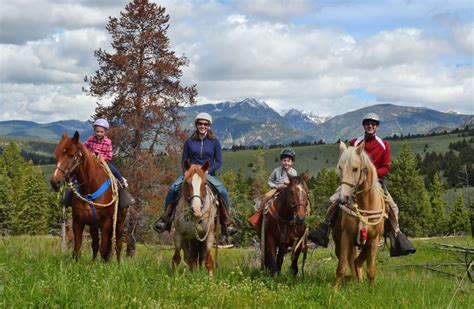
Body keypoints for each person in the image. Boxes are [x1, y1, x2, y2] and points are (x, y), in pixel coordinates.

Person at [308, 113, 416, 257]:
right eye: (367, 124)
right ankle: (325, 228)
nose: (370, 126)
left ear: (377, 126)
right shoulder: (354, 142)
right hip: (353, 181)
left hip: (376, 182)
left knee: (393, 208)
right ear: (364, 126)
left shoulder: (384, 145)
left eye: (373, 124)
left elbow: (386, 166)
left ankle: (396, 236)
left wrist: (372, 175)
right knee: (334, 200)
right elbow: (347, 161)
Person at [153, 112, 237, 236]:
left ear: (209, 126)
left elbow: (218, 162)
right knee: (172, 189)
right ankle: (165, 219)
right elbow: (184, 160)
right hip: (190, 174)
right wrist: (187, 172)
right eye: (200, 123)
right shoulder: (189, 142)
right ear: (196, 125)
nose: (202, 126)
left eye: (205, 124)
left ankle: (227, 222)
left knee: (223, 191)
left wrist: (207, 170)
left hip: (207, 173)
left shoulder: (215, 142)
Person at [83, 118, 135, 207]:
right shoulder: (90, 139)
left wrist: (100, 158)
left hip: (103, 162)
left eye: (101, 132)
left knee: (115, 171)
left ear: (105, 132)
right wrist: (90, 155)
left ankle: (121, 183)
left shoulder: (108, 142)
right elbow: (84, 148)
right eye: (97, 131)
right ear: (94, 131)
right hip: (90, 161)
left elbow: (109, 155)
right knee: (79, 172)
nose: (99, 133)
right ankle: (71, 188)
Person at [248, 148, 297, 228]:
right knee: (266, 198)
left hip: (288, 191)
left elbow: (294, 184)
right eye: (284, 160)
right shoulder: (276, 171)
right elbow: (269, 181)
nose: (286, 163)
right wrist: (276, 186)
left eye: (288, 161)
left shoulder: (294, 172)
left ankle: (297, 220)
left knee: (296, 202)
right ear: (281, 161)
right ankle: (257, 216)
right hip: (276, 190)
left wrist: (288, 184)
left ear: (292, 162)